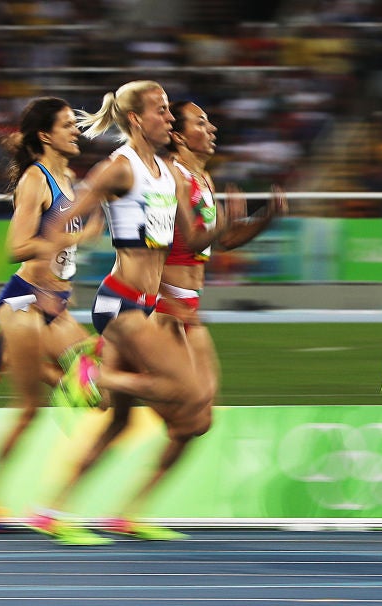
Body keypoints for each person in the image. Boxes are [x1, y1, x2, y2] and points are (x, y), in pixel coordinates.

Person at [29, 81, 244, 546]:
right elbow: (60, 218)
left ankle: (50, 511)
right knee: (184, 390)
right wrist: (47, 278)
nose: (168, 118)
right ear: (135, 119)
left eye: (168, 111)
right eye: (161, 111)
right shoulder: (119, 167)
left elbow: (194, 239)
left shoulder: (166, 173)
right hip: (120, 301)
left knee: (122, 421)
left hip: (146, 305)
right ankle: (88, 375)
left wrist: (227, 222)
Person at [0, 97, 103, 529]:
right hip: (23, 301)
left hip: (55, 304)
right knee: (30, 411)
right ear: (45, 135)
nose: (76, 131)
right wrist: (73, 240)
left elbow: (65, 241)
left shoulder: (69, 178)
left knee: (94, 384)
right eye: (67, 125)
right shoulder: (35, 181)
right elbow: (16, 247)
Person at [155, 100, 287, 424]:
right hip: (165, 305)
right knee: (190, 407)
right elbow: (175, 242)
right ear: (179, 136)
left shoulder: (204, 179)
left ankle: (108, 375)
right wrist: (224, 223)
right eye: (201, 123)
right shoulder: (170, 177)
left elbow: (224, 241)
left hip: (190, 302)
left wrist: (266, 218)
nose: (212, 128)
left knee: (203, 415)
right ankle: (103, 374)